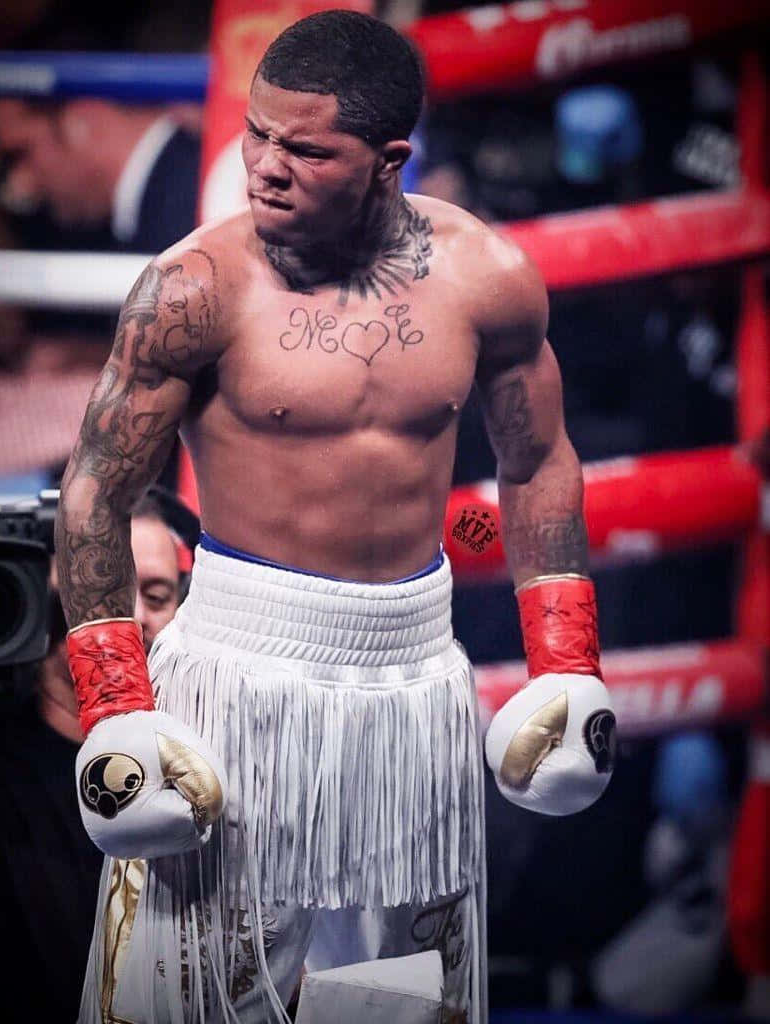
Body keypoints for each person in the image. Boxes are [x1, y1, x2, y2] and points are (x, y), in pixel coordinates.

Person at [54, 12, 617, 1023]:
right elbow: (96, 486)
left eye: (303, 149)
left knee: (399, 1000)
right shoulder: (195, 287)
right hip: (234, 672)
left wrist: (566, 663)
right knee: (185, 995)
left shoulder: (484, 277)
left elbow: (537, 463)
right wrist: (113, 708)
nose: (264, 167)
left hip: (411, 677)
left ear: (386, 160)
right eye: (256, 135)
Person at [0, 498, 187, 1023]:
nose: (137, 619)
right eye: (107, 593)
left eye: (156, 595)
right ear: (43, 599)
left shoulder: (195, 778)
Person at [0, 96, 202, 253]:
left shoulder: (178, 218)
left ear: (79, 122)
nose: (21, 185)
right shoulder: (189, 173)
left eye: (23, 152)